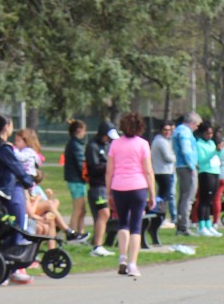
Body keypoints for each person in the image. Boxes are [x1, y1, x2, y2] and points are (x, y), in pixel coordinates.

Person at [0, 115, 36, 284]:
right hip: (10, 192)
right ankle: (13, 268)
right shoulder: (4, 149)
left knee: (5, 230)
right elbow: (17, 168)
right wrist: (29, 184)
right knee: (17, 228)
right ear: (6, 127)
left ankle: (2, 269)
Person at [106, 111, 155, 277]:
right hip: (138, 186)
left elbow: (109, 171)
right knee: (136, 226)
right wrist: (152, 193)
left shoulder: (115, 144)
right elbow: (148, 170)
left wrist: (108, 192)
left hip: (119, 186)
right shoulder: (143, 144)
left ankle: (122, 257)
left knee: (123, 223)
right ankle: (133, 264)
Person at [84, 120, 114, 255]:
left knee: (103, 216)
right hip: (97, 186)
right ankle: (97, 246)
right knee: (103, 213)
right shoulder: (92, 146)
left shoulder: (108, 145)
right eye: (107, 136)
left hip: (107, 185)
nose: (108, 139)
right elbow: (94, 167)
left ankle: (97, 243)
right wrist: (110, 165)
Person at [172, 112, 199, 235]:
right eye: (197, 125)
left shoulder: (178, 130)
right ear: (192, 123)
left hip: (180, 166)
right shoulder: (185, 132)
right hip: (186, 167)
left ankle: (180, 224)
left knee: (183, 197)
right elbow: (186, 150)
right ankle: (184, 226)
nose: (196, 128)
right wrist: (191, 165)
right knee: (188, 197)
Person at [194, 120, 222, 235]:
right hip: (206, 172)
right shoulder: (199, 144)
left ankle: (208, 224)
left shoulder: (211, 143)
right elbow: (202, 160)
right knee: (204, 199)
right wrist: (214, 152)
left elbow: (218, 156)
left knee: (210, 200)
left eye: (211, 133)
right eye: (207, 133)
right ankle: (201, 225)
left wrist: (219, 150)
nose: (210, 136)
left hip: (215, 171)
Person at [63, 120, 89, 240]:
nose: (85, 133)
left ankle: (80, 232)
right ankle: (72, 233)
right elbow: (81, 164)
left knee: (82, 209)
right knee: (78, 209)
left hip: (77, 180)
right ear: (79, 131)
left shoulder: (74, 144)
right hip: (76, 180)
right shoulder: (76, 145)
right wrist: (87, 176)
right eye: (84, 130)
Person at [151, 120, 177, 226]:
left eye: (169, 130)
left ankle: (160, 217)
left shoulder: (163, 140)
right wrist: (176, 157)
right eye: (165, 130)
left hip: (163, 171)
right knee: (163, 196)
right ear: (161, 130)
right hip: (163, 171)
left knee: (162, 195)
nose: (167, 132)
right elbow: (168, 157)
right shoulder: (161, 141)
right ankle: (160, 217)